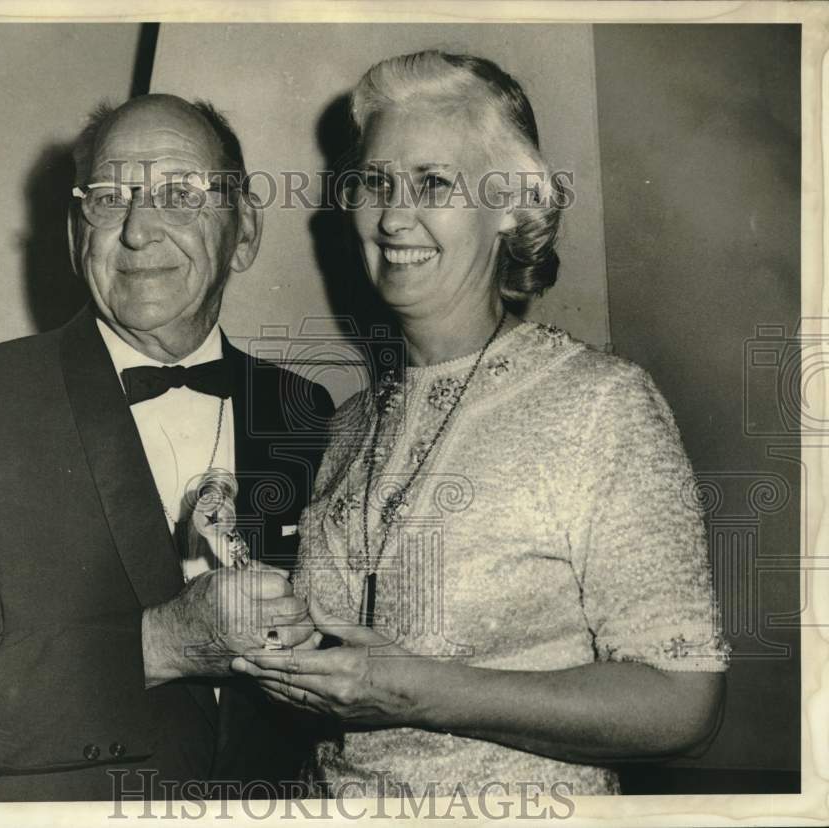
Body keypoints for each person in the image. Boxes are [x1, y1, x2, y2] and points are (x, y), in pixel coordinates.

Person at [231, 51, 728, 797]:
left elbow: (684, 704)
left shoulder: (600, 405)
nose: (394, 216)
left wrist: (423, 691)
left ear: (510, 205)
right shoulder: (346, 427)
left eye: (433, 183)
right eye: (375, 183)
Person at [0, 94, 333, 802]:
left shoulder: (306, 411)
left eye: (179, 194)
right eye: (109, 198)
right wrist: (164, 643)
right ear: (74, 231)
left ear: (244, 232)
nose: (139, 231)